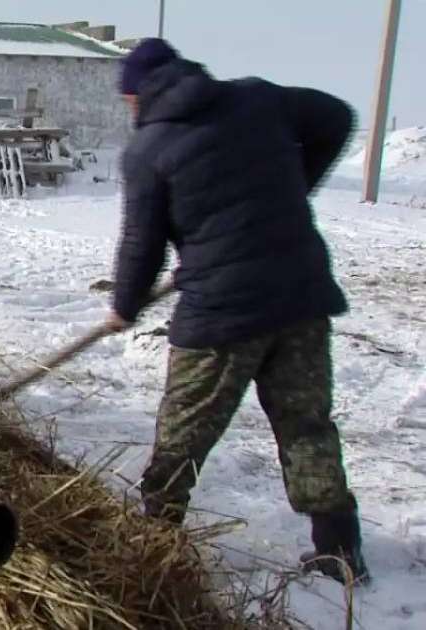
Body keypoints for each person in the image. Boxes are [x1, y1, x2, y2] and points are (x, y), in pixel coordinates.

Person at [105, 38, 368, 585]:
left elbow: (141, 245)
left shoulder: (149, 150)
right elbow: (338, 117)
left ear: (137, 95)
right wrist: (291, 188)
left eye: (128, 99)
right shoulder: (258, 98)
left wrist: (124, 306)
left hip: (222, 312)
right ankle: (340, 551)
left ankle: (153, 545)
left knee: (185, 432)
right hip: (300, 296)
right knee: (306, 424)